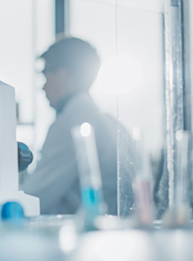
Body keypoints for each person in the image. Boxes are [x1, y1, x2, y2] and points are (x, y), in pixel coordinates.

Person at [21, 37, 133, 215]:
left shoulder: (71, 124)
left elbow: (33, 199)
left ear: (62, 75)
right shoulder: (111, 122)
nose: (43, 87)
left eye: (45, 74)